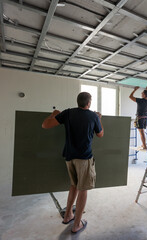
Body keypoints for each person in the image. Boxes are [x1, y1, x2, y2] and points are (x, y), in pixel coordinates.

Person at [42, 92, 104, 234]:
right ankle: (77, 224)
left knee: (74, 185)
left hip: (69, 157)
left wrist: (54, 114)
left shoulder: (68, 113)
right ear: (88, 103)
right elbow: (100, 134)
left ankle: (68, 215)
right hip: (84, 158)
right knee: (83, 189)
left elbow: (45, 125)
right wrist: (99, 119)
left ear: (78, 102)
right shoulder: (93, 116)